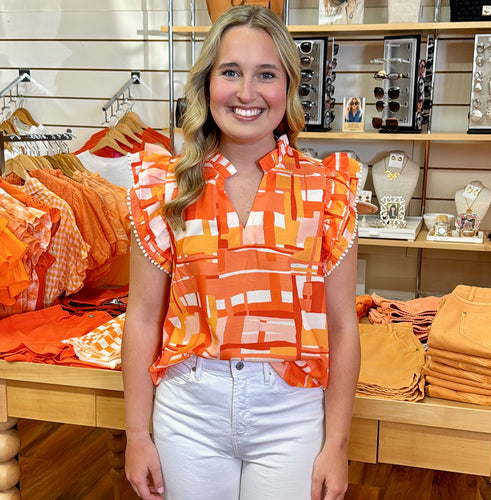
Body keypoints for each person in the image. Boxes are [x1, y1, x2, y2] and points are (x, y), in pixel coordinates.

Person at [123, 5, 361, 500]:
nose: (246, 92)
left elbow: (342, 325)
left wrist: (336, 442)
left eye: (266, 75)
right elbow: (143, 317)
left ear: (289, 87)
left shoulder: (325, 189)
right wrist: (136, 434)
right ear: (208, 82)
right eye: (231, 72)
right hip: (188, 410)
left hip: (290, 414)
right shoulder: (167, 188)